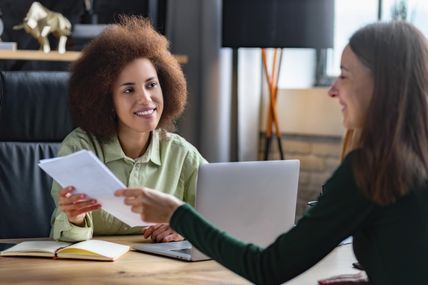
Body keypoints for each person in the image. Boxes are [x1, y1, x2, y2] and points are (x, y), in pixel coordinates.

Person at [115, 21, 428, 284]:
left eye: (344, 74)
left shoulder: (372, 169)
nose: (333, 89)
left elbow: (267, 268)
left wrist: (175, 213)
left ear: (382, 85)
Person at [50, 15, 206, 243]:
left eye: (151, 85)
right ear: (107, 100)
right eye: (128, 90)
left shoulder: (183, 155)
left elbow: (217, 217)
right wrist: (76, 219)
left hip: (161, 271)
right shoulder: (78, 149)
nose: (146, 99)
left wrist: (186, 228)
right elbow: (64, 236)